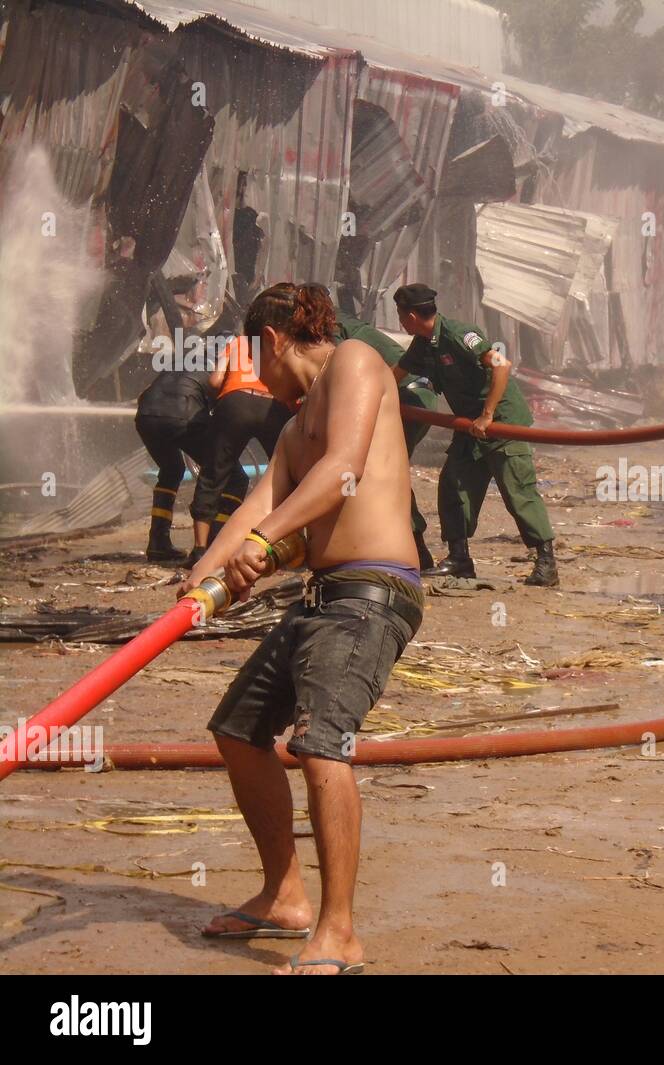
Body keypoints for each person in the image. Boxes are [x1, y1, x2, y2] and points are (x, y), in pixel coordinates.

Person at [185, 282, 423, 975]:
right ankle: (284, 895)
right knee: (237, 730)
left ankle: (339, 930)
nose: (259, 372)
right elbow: (257, 504)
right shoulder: (292, 428)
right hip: (324, 599)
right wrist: (201, 575)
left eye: (257, 354)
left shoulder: (354, 361)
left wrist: (264, 544)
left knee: (321, 744)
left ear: (274, 339)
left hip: (374, 592)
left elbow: (343, 470)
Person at [392, 284, 559, 587]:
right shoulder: (423, 343)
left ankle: (546, 563)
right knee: (453, 485)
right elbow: (395, 376)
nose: (401, 323)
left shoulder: (459, 335)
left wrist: (488, 414)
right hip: (470, 427)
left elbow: (502, 366)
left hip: (501, 422)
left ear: (412, 316)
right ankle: (460, 560)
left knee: (517, 491)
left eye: (402, 316)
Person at [333, 310, 439, 574]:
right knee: (386, 470)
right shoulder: (348, 325)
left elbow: (333, 372)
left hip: (406, 400)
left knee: (379, 470)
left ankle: (410, 546)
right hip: (416, 397)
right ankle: (412, 547)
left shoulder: (334, 328)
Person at [186, 333, 295, 568]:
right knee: (286, 473)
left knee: (213, 473)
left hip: (234, 403)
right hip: (272, 404)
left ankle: (199, 549)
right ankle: (287, 543)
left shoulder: (237, 342)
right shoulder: (284, 342)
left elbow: (215, 381)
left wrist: (223, 399)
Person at [134, 364, 221, 562]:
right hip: (183, 416)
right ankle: (211, 545)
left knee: (171, 470)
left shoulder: (177, 366)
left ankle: (158, 542)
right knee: (224, 474)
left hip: (146, 417)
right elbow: (221, 410)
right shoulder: (217, 370)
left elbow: (143, 395)